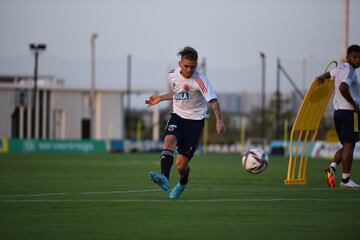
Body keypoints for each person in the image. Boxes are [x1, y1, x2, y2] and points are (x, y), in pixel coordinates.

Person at [145, 46, 225, 199]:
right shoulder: (172, 75)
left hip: (195, 123)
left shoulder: (200, 80)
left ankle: (183, 182)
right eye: (186, 66)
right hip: (177, 117)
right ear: (179, 64)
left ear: (196, 65)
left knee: (181, 165)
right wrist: (160, 98)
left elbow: (213, 102)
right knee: (168, 141)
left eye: (192, 67)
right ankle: (164, 178)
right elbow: (176, 93)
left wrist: (219, 121)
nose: (189, 69)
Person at [316, 44, 360, 188]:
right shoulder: (351, 71)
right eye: (354, 57)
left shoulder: (340, 68)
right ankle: (345, 180)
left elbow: (328, 75)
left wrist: (320, 78)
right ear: (348, 58)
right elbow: (343, 87)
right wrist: (353, 103)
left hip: (338, 113)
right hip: (349, 113)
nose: (357, 60)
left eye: (359, 58)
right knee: (350, 144)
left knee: (346, 145)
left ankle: (332, 167)